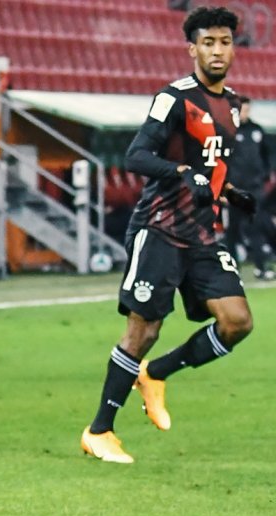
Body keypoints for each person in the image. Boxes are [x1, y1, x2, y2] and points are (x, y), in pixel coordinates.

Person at [81, 6, 254, 464]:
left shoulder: (234, 104)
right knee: (144, 330)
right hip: (159, 227)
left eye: (225, 42)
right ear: (192, 48)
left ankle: (155, 375)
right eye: (209, 43)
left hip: (202, 233)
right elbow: (136, 155)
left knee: (237, 321)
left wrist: (229, 190)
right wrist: (181, 172)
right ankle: (99, 431)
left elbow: (210, 166)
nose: (218, 50)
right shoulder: (174, 97)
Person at [230, 96, 274, 278]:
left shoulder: (257, 130)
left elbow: (269, 154)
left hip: (255, 189)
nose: (245, 113)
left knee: (256, 228)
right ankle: (232, 269)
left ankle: (261, 267)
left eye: (247, 110)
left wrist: (265, 173)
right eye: (242, 110)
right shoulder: (227, 132)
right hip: (234, 190)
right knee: (232, 231)